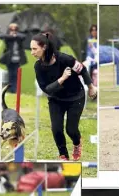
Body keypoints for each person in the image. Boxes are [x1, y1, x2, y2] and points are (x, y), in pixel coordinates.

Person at [31, 32, 97, 161]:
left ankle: (77, 143)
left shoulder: (64, 59)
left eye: (34, 49)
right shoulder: (38, 67)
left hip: (75, 97)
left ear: (44, 47)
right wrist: (62, 79)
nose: (32, 52)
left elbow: (82, 69)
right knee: (56, 129)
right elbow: (47, 89)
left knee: (71, 130)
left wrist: (91, 87)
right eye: (31, 49)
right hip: (56, 99)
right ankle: (63, 155)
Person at [0, 23, 27, 93]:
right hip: (9, 58)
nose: (13, 30)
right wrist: (12, 36)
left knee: (16, 74)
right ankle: (11, 89)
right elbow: (3, 36)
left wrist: (15, 35)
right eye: (12, 28)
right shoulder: (8, 37)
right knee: (10, 74)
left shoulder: (19, 37)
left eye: (15, 28)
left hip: (17, 59)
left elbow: (24, 36)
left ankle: (15, 90)